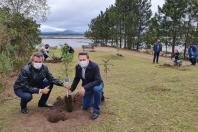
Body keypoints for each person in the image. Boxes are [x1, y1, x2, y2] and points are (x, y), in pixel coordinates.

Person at [65, 52, 104, 120]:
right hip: (87, 86)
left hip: (97, 84)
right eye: (80, 60)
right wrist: (71, 89)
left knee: (96, 89)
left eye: (84, 59)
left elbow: (98, 80)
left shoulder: (94, 66)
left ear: (88, 59)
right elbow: (76, 79)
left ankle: (96, 111)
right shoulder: (78, 67)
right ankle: (98, 95)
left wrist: (84, 87)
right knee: (85, 106)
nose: (82, 61)